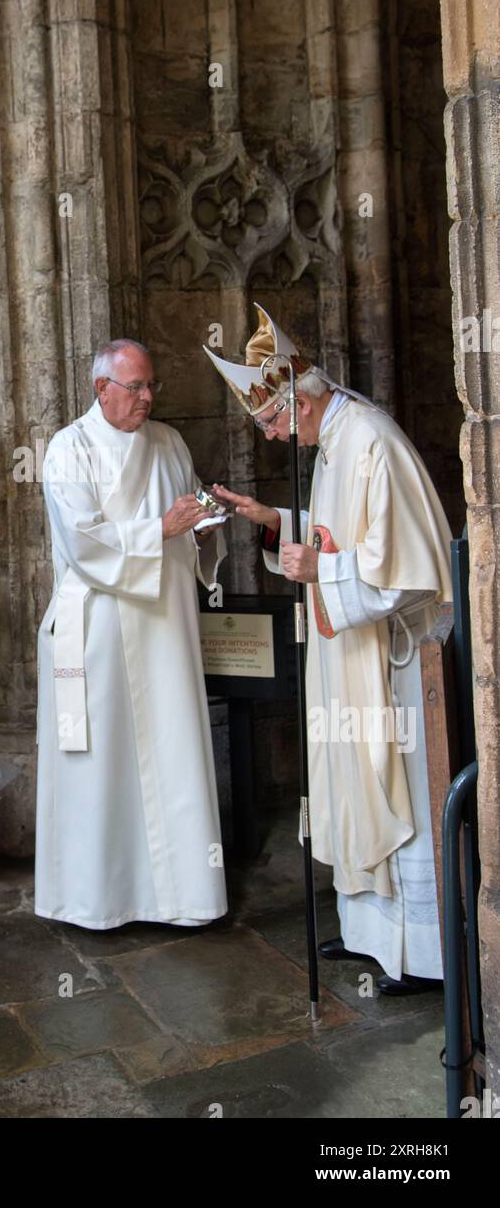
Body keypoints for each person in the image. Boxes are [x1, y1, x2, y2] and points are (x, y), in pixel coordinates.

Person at [206, 305, 453, 994]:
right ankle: (373, 933)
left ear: (303, 397)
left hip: (393, 663)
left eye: (276, 422)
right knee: (351, 785)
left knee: (394, 789)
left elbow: (403, 568)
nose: (277, 434)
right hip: (350, 656)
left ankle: (422, 954)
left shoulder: (369, 438)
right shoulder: (333, 438)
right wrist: (277, 521)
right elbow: (342, 532)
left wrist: (325, 573)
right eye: (268, 427)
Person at [35, 339, 227, 928]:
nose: (147, 397)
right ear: (102, 389)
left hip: (164, 624)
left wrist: (205, 517)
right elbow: (84, 543)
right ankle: (99, 899)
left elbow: (189, 519)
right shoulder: (69, 450)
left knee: (172, 749)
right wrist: (160, 528)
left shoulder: (169, 442)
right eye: (135, 387)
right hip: (99, 630)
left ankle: (185, 897)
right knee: (101, 764)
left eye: (151, 386)